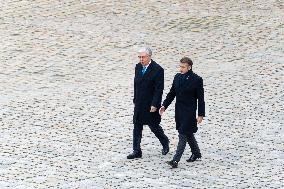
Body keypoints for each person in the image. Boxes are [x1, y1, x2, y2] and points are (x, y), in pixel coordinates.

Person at [159, 57, 205, 168]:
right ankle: (196, 153)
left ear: (189, 67)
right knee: (188, 133)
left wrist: (200, 115)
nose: (181, 69)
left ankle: (175, 160)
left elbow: (201, 99)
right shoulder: (177, 77)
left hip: (189, 112)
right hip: (179, 111)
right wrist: (164, 105)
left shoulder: (197, 79)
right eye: (180, 66)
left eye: (183, 67)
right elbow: (172, 93)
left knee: (182, 134)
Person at [127, 47, 170, 159]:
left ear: (149, 56)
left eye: (143, 57)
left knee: (153, 126)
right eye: (139, 57)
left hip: (150, 103)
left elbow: (159, 89)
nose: (141, 59)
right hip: (139, 102)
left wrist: (155, 104)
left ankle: (165, 142)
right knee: (137, 126)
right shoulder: (138, 67)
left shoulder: (158, 69)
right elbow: (136, 84)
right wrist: (135, 99)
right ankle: (136, 150)